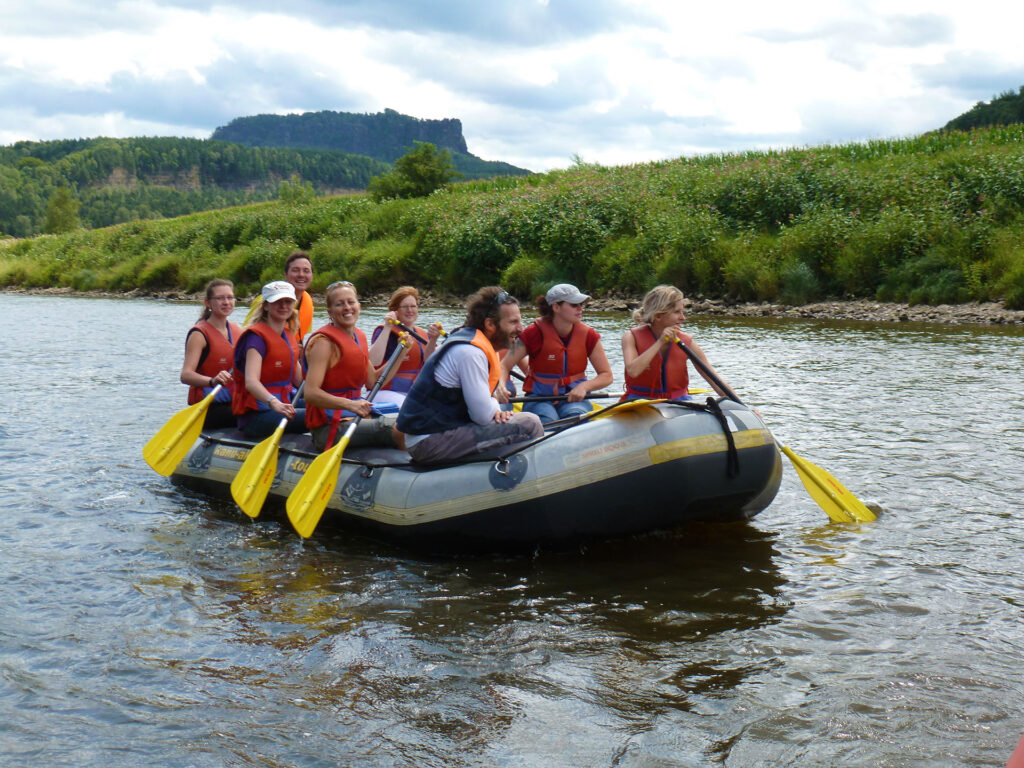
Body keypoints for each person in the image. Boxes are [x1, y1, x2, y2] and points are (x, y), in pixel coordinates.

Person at [396, 287, 544, 465]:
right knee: (530, 423)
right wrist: (495, 409)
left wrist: (495, 410)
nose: (521, 329)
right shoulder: (471, 353)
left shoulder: (472, 341)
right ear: (490, 325)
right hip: (429, 442)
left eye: (520, 321)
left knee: (507, 417)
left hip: (441, 431)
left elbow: (485, 410)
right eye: (513, 322)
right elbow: (482, 416)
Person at [304, 281, 408, 452]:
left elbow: (373, 380)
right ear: (330, 312)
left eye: (351, 302)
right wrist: (349, 405)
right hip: (329, 427)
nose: (347, 308)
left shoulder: (358, 337)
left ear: (358, 306)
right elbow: (310, 393)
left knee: (410, 419)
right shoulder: (323, 343)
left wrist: (402, 352)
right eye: (340, 304)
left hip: (355, 417)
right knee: (399, 428)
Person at [497, 283, 613, 424]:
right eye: (573, 305)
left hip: (573, 398)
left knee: (575, 416)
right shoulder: (533, 334)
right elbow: (504, 366)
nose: (580, 309)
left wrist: (584, 387)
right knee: (548, 419)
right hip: (538, 398)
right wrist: (501, 385)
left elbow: (606, 376)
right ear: (556, 307)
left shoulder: (589, 335)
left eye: (581, 304)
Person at [621, 284, 734, 401]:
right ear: (658, 316)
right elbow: (633, 371)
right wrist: (660, 342)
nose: (683, 318)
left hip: (678, 403)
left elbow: (717, 383)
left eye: (682, 312)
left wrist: (744, 409)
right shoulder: (630, 337)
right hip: (640, 402)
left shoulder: (688, 343)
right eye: (677, 312)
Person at [232, 281, 305, 439]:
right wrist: (274, 402)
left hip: (285, 403)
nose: (284, 306)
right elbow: (251, 382)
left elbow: (300, 381)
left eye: (288, 302)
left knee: (327, 410)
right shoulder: (256, 338)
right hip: (257, 415)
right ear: (266, 306)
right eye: (277, 302)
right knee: (317, 416)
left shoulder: (288, 336)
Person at [179, 279, 243, 428]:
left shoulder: (237, 330)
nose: (226, 302)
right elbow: (186, 375)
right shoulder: (199, 334)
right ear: (208, 303)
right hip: (209, 406)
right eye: (220, 298)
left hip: (233, 400)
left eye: (230, 298)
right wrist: (212, 381)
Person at [367, 286, 443, 406]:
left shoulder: (422, 334)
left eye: (413, 306)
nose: (410, 310)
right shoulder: (386, 331)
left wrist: (433, 340)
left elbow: (429, 361)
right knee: (412, 406)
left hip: (411, 392)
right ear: (395, 310)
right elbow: (374, 361)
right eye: (405, 307)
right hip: (383, 391)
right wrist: (388, 327)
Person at [243, 250, 315, 341]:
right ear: (286, 275)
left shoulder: (307, 302)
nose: (301, 275)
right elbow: (246, 333)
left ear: (312, 276)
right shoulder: (266, 299)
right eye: (295, 270)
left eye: (306, 271)